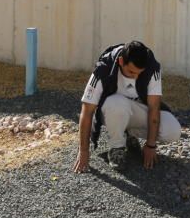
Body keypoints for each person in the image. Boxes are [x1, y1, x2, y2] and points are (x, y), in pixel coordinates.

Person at [73, 41, 181, 172]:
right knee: (117, 103)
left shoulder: (152, 67)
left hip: (136, 110)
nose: (135, 76)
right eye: (131, 72)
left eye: (139, 73)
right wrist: (84, 151)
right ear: (120, 61)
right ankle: (117, 148)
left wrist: (151, 145)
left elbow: (154, 107)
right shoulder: (104, 68)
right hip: (111, 110)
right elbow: (87, 111)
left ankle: (127, 133)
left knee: (173, 131)